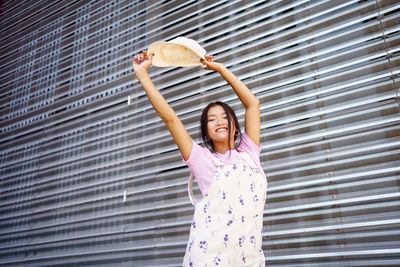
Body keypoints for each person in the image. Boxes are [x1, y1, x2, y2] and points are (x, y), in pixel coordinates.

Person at [132, 50, 267, 267]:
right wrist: (142, 75)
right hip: (209, 260)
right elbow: (171, 120)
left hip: (249, 260)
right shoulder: (201, 159)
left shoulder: (249, 154)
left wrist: (221, 69)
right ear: (206, 132)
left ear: (235, 128)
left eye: (225, 117)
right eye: (212, 119)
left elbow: (253, 104)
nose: (219, 122)